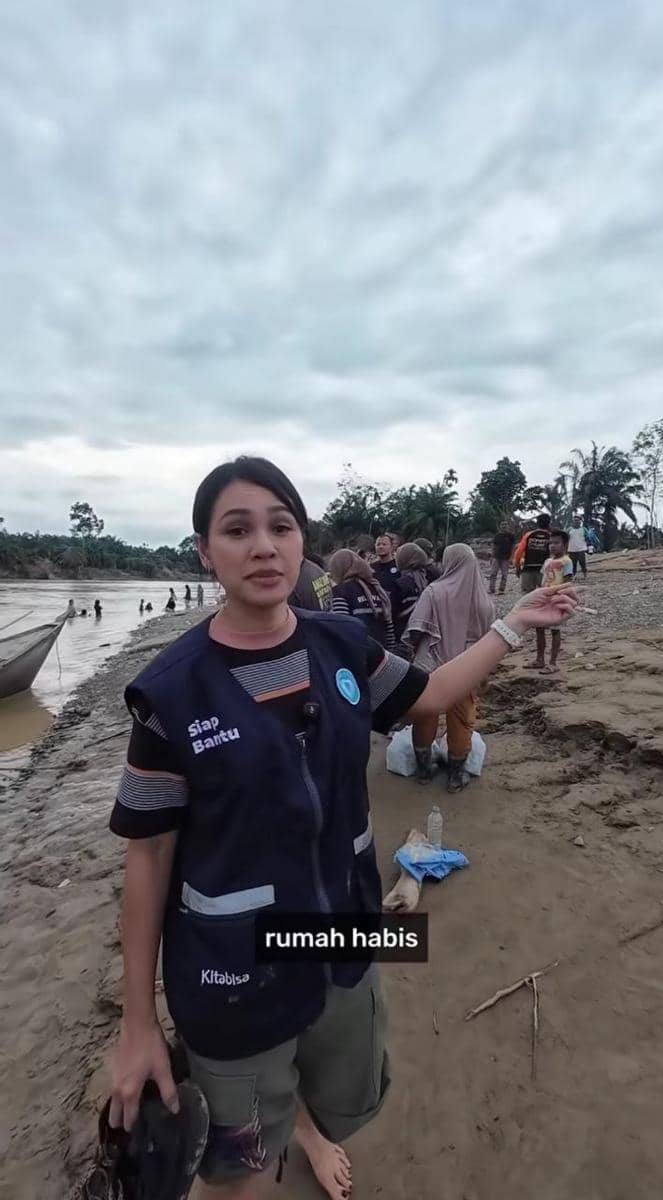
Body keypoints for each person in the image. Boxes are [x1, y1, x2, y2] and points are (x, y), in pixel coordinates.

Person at [108, 456, 577, 1199]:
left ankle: (304, 1124)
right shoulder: (171, 690)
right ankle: (273, 1130)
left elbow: (428, 698)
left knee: (348, 1089)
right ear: (204, 551)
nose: (262, 545)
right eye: (237, 529)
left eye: (280, 526)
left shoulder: (340, 648)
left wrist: (514, 627)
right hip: (231, 969)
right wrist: (136, 1025)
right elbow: (148, 854)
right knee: (237, 1173)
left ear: (302, 543)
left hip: (342, 932)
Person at [404, 544, 495, 792]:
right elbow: (489, 640)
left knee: (425, 717)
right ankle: (456, 776)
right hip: (468, 667)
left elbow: (415, 629)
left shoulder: (434, 592)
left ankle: (424, 771)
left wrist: (414, 649)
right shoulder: (484, 600)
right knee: (462, 719)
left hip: (431, 667)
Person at [524, 530, 574, 673]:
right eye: (550, 543)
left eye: (556, 543)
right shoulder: (547, 561)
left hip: (557, 600)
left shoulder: (567, 561)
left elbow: (568, 582)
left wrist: (562, 598)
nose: (552, 546)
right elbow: (544, 580)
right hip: (544, 600)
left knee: (555, 631)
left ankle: (553, 663)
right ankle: (540, 659)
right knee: (539, 628)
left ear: (564, 544)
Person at [329, 549, 396, 648]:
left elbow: (341, 628)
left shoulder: (340, 591)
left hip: (356, 655)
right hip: (381, 653)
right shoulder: (376, 588)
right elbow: (389, 625)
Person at [393, 543, 430, 645]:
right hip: (422, 632)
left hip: (402, 635)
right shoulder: (426, 577)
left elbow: (393, 612)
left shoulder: (402, 582)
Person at [512, 514, 552, 594]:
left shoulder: (529, 535)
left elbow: (519, 552)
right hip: (545, 570)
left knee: (527, 596)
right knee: (545, 595)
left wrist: (517, 567)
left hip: (528, 568)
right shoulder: (551, 536)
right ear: (549, 523)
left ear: (537, 523)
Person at [489, 524, 515, 595]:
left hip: (506, 558)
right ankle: (491, 589)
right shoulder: (497, 536)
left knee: (504, 574)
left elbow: (513, 547)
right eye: (502, 525)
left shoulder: (511, 536)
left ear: (508, 526)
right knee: (493, 573)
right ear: (500, 526)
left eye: (505, 525)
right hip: (496, 557)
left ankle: (501, 589)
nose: (504, 526)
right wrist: (492, 556)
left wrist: (512, 557)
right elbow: (494, 546)